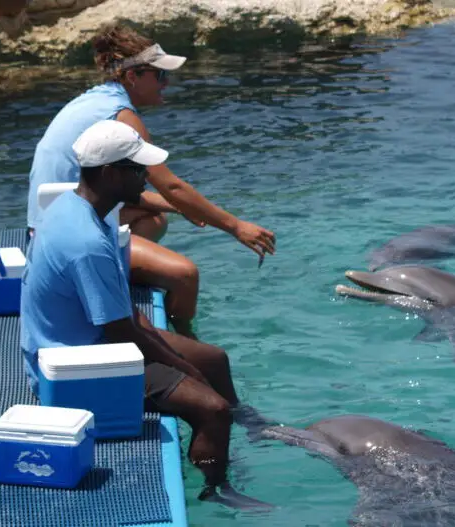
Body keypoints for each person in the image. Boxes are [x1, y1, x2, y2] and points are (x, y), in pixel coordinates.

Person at [20, 119, 272, 508]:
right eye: (138, 170)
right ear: (108, 173)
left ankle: (242, 429)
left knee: (214, 359)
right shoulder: (86, 241)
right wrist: (184, 370)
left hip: (94, 334)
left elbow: (120, 317)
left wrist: (183, 356)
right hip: (79, 363)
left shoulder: (78, 205)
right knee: (212, 408)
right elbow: (120, 333)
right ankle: (215, 486)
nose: (147, 178)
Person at [25, 22, 276, 339]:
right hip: (64, 239)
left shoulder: (95, 100)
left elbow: (117, 189)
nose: (166, 83)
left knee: (155, 220)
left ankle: (118, 278)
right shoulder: (122, 117)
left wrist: (182, 209)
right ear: (132, 76)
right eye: (159, 75)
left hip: (50, 223)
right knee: (185, 275)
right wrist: (236, 227)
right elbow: (171, 186)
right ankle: (185, 340)